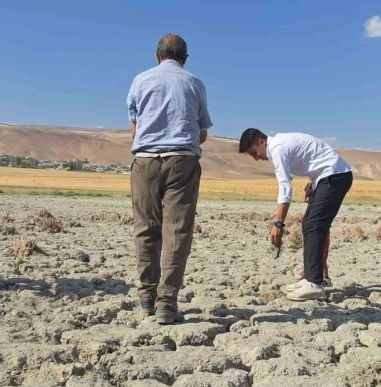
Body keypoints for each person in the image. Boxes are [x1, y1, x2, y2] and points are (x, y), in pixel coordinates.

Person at [127, 33, 212, 324]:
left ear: (157, 56)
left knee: (145, 228)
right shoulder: (195, 83)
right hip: (182, 162)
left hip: (146, 161)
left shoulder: (140, 80)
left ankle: (146, 296)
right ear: (185, 59)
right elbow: (202, 132)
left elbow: (135, 128)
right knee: (177, 231)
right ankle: (166, 303)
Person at [238, 129, 352, 301]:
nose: (257, 158)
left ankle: (314, 284)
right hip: (328, 176)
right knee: (309, 224)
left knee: (314, 225)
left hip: (335, 176)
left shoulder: (277, 149)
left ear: (262, 142)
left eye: (255, 153)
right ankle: (311, 278)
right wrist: (312, 185)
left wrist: (278, 223)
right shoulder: (282, 143)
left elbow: (285, 189)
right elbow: (316, 158)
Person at [295, 182, 331, 286]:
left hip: (321, 233)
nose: (305, 200)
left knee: (321, 253)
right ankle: (307, 271)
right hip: (312, 233)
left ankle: (324, 277)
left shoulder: (321, 204)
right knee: (309, 252)